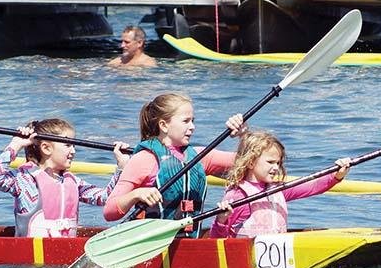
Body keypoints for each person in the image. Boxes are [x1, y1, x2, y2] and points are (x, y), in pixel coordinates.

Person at [102, 92, 246, 237]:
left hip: (189, 246)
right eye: (186, 121)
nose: (193, 127)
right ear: (164, 125)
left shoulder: (200, 156)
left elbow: (250, 162)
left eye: (193, 120)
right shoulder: (144, 159)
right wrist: (136, 194)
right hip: (150, 247)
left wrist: (243, 135)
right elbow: (109, 212)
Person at [0, 118, 130, 237]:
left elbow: (105, 198)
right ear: (46, 148)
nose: (73, 151)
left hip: (62, 258)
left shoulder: (73, 182)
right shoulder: (25, 180)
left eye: (74, 145)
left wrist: (122, 167)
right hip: (31, 263)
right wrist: (15, 145)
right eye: (68, 145)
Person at [209, 131, 351, 239]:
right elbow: (217, 241)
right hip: (245, 264)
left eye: (278, 163)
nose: (276, 167)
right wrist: (221, 219)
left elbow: (312, 186)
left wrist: (337, 175)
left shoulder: (279, 190)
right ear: (251, 162)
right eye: (270, 162)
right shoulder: (237, 196)